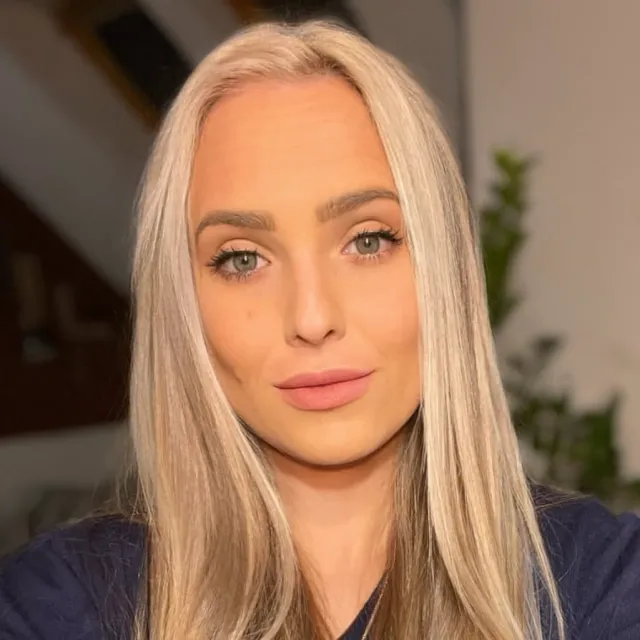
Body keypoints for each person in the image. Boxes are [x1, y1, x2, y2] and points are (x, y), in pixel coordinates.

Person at [1, 20, 639, 640]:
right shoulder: (54, 608)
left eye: (368, 241)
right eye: (242, 259)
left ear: (446, 268)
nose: (312, 318)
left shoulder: (603, 586)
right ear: (181, 305)